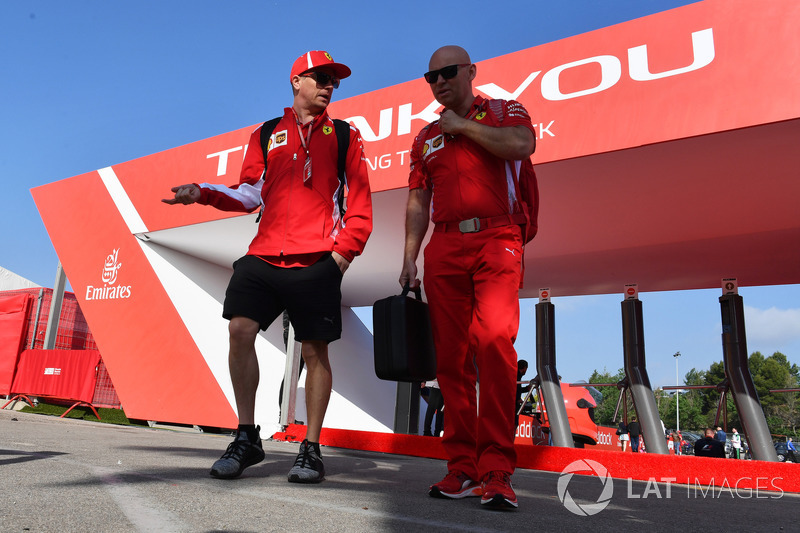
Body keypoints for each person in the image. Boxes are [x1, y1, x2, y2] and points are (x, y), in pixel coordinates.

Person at [163, 50, 373, 483]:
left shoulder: (347, 136)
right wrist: (201, 192)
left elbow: (361, 203)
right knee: (239, 330)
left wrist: (341, 256)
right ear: (296, 81)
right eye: (320, 77)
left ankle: (310, 449)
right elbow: (248, 194)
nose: (329, 85)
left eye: (334, 80)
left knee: (315, 351)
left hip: (317, 259)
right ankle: (246, 437)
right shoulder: (266, 134)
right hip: (263, 254)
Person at [399, 45, 537, 510]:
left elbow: (522, 145)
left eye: (448, 72)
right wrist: (410, 258)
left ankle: (496, 470)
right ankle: (462, 466)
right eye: (430, 76)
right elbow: (418, 200)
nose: (439, 81)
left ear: (471, 72)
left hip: (497, 237)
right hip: (444, 245)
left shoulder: (502, 110)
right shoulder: (424, 138)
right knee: (451, 361)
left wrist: (464, 127)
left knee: (494, 342)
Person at [515, 359, 531, 429]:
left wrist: (526, 389)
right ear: (524, 368)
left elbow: (518, 390)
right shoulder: (517, 376)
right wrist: (518, 399)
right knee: (514, 424)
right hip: (514, 405)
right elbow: (515, 389)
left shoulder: (516, 375)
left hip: (514, 403)